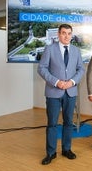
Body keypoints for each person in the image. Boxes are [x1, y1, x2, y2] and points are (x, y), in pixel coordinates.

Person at [38, 24, 85, 165]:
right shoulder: (49, 49)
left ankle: (66, 149)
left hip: (70, 92)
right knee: (52, 123)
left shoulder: (76, 51)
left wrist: (72, 82)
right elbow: (41, 68)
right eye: (63, 33)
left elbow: (81, 69)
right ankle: (51, 153)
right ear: (58, 34)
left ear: (72, 35)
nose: (66, 36)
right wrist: (56, 82)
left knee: (68, 123)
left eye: (69, 33)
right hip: (53, 91)